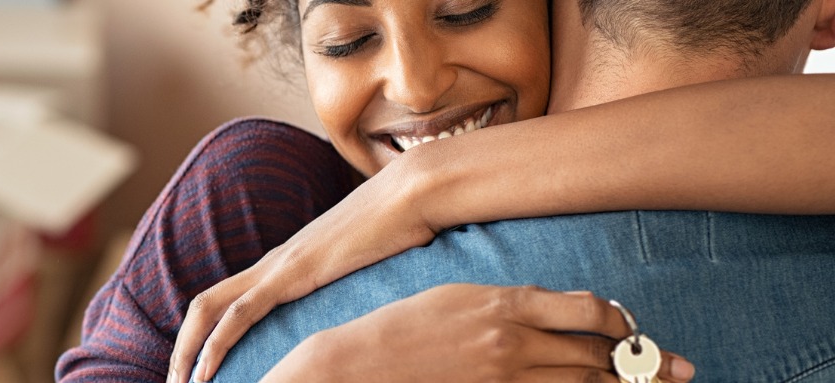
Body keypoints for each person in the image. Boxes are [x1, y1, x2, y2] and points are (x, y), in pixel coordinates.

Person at [56, 0, 835, 381]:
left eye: (466, 10)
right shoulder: (252, 189)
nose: (419, 86)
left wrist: (428, 185)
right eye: (348, 41)